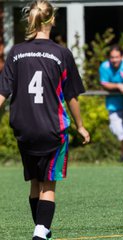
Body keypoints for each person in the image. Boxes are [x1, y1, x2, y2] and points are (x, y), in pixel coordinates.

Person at [0, 1, 90, 239]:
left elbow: (2, 92)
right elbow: (71, 97)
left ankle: (42, 229)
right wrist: (80, 126)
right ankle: (40, 232)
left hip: (23, 127)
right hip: (52, 128)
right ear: (51, 20)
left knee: (34, 182)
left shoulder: (16, 52)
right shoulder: (61, 53)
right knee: (48, 185)